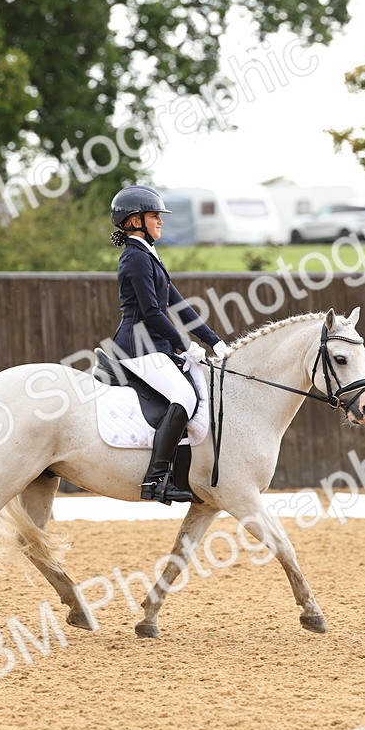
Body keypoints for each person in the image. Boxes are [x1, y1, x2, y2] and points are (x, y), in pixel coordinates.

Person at [108, 185, 231, 503]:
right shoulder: (135, 258)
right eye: (154, 216)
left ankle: (181, 476)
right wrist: (184, 344)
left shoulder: (149, 256)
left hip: (155, 345)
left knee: (194, 390)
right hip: (137, 346)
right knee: (184, 396)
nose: (160, 221)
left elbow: (178, 305)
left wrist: (213, 340)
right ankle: (155, 480)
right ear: (135, 221)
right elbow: (152, 313)